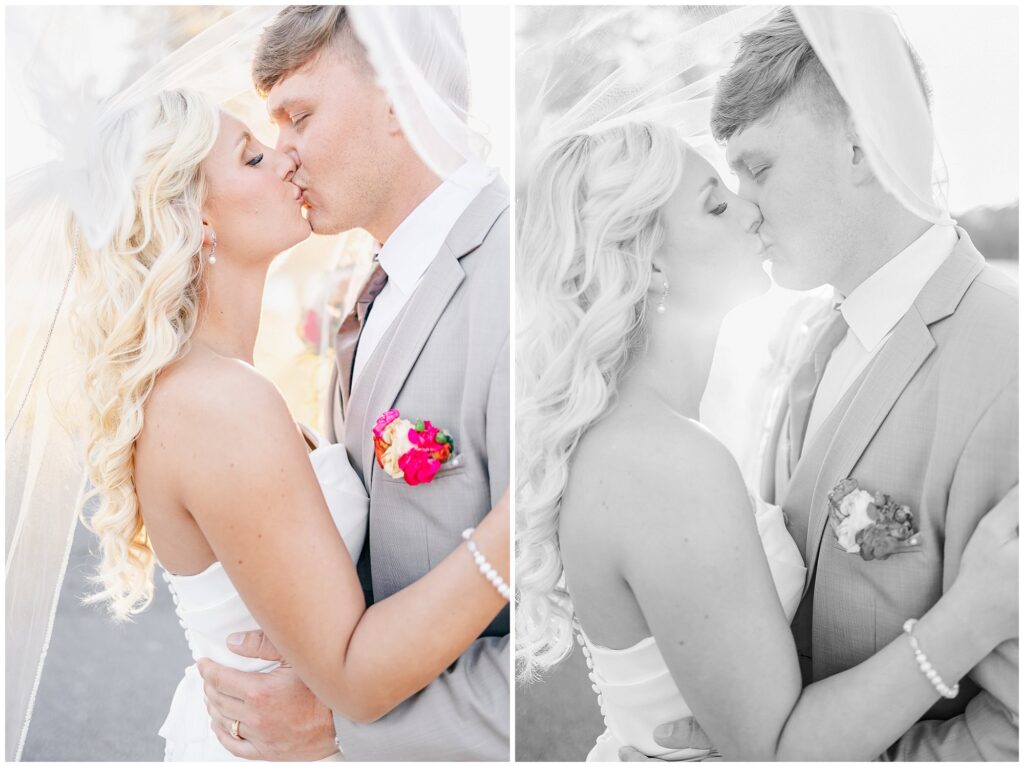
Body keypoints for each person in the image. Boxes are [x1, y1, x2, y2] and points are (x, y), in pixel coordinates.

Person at [514, 119, 1018, 761]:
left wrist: (741, 723)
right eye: (717, 204)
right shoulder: (661, 462)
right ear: (648, 260)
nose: (751, 211)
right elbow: (776, 753)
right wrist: (971, 616)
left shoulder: (649, 435)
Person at [621, 8, 1018, 761]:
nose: (743, 205)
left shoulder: (1009, 363)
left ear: (862, 145)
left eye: (759, 167)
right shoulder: (806, 337)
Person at [196, 7, 511, 761]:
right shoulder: (363, 287)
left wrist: (351, 724)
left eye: (298, 116)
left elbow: (573, 632)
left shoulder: (515, 281)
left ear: (399, 99)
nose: (285, 154)